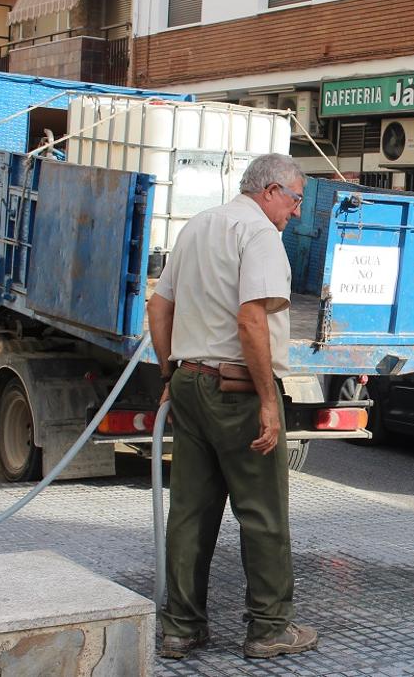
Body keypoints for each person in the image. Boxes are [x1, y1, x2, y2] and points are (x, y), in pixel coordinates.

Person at [147, 153, 318, 660]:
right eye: (295, 200)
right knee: (262, 512)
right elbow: (251, 320)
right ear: (270, 191)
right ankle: (269, 628)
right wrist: (268, 400)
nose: (296, 212)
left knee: (189, 511)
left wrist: (168, 376)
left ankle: (181, 628)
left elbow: (159, 305)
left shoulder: (198, 226)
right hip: (237, 390)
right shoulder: (260, 234)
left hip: (189, 380)